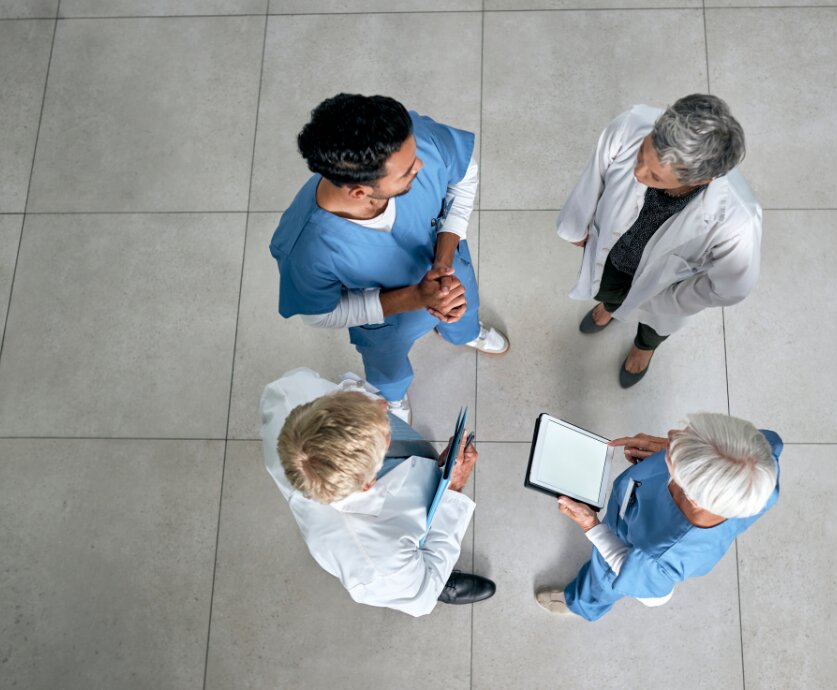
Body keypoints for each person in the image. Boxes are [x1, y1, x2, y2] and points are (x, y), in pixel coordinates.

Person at [271, 93, 509, 423]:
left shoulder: (410, 139)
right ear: (359, 192)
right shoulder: (305, 249)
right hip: (384, 324)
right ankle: (394, 399)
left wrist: (443, 260)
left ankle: (465, 333)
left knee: (463, 309)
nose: (421, 166)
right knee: (388, 370)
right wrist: (414, 297)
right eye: (408, 172)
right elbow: (320, 315)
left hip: (449, 266)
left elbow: (464, 174)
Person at [557, 94, 760, 388]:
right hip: (616, 253)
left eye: (655, 175)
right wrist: (577, 227)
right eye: (641, 155)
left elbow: (732, 287)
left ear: (700, 180)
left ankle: (645, 346)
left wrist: (673, 300)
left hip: (666, 286)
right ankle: (613, 308)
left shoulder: (739, 220)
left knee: (656, 320)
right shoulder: (632, 124)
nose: (638, 173)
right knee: (607, 290)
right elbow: (595, 174)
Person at [261, 367, 495, 617]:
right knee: (424, 582)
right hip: (408, 571)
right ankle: (435, 577)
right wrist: (453, 488)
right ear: (368, 483)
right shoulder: (375, 562)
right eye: (385, 431)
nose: (384, 404)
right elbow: (421, 602)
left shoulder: (292, 392)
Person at [535, 413, 780, 621]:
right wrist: (684, 450)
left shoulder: (661, 556)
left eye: (675, 450)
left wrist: (592, 526)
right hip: (643, 506)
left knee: (605, 577)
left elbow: (652, 596)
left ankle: (581, 602)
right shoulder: (760, 458)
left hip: (629, 546)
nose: (672, 434)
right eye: (687, 434)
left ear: (692, 496)